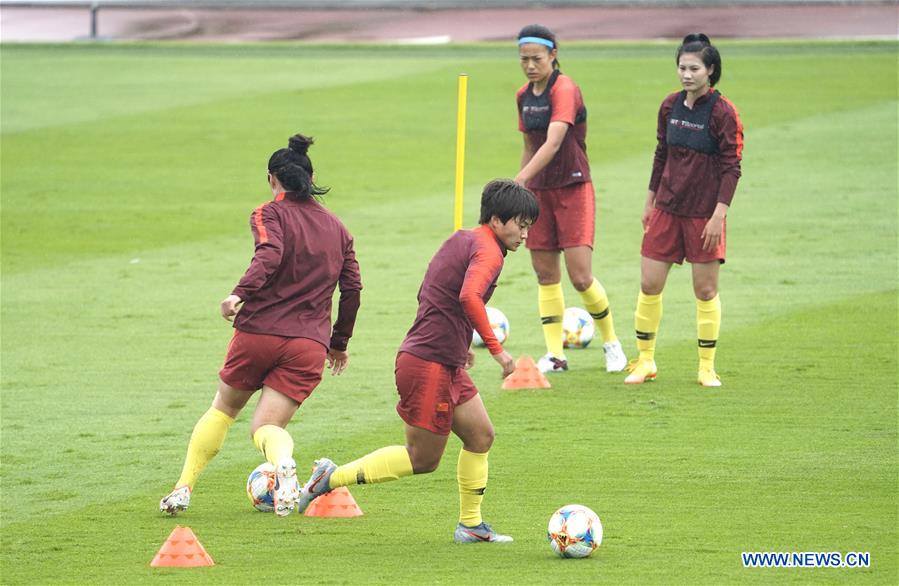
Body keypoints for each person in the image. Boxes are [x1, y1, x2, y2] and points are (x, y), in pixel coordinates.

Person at [296, 180, 538, 543]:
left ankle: (471, 526)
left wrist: (457, 341)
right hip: (428, 364)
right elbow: (470, 296)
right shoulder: (488, 251)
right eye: (520, 224)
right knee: (423, 458)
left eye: (529, 226)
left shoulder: (464, 239)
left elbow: (430, 290)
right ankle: (330, 478)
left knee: (481, 435)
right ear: (498, 219)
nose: (525, 234)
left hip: (443, 359)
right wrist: (496, 349)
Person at [159, 134, 362, 517]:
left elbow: (271, 253)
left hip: (258, 333)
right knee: (265, 429)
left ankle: (182, 488)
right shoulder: (339, 229)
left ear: (272, 179)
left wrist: (239, 294)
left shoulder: (269, 213)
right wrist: (339, 341)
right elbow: (352, 288)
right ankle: (283, 462)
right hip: (308, 345)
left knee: (222, 409)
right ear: (311, 175)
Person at [624, 33, 744, 387]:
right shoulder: (669, 106)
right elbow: (662, 153)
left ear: (711, 70)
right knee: (649, 283)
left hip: (704, 215)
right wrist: (650, 199)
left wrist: (719, 215)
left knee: (705, 291)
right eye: (682, 67)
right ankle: (645, 361)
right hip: (667, 208)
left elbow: (731, 166)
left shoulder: (723, 113)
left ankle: (706, 366)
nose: (686, 74)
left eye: (694, 68)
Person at [514, 24, 627, 375]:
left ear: (553, 54)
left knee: (580, 276)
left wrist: (517, 180)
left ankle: (612, 345)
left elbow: (553, 141)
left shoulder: (565, 89)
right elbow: (530, 146)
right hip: (539, 195)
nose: (530, 65)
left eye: (536, 58)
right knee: (545, 274)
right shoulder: (523, 96)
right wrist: (521, 192)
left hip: (574, 188)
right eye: (524, 60)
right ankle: (554, 355)